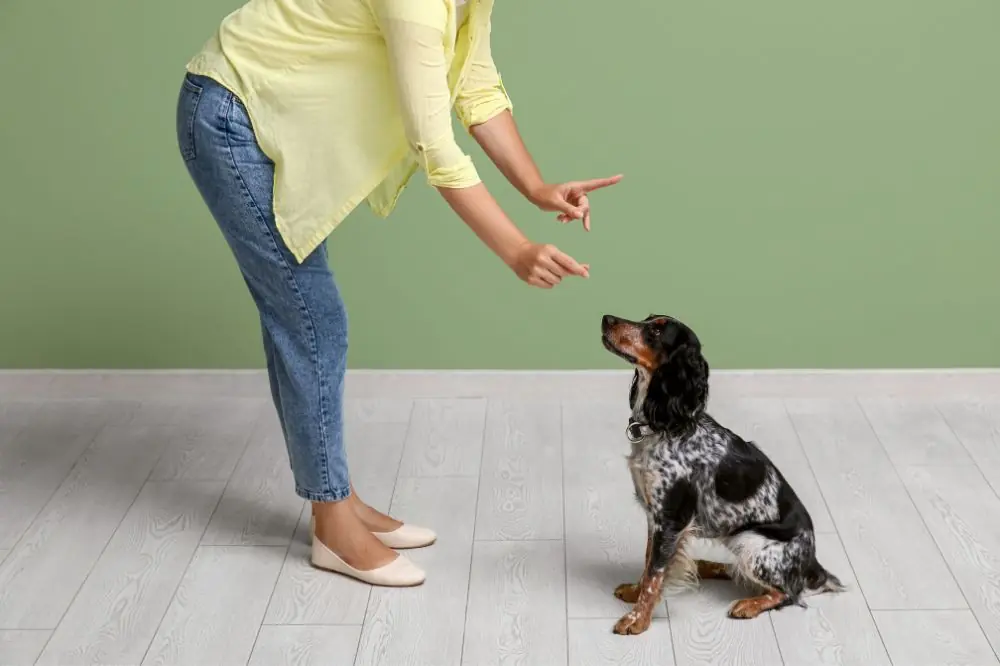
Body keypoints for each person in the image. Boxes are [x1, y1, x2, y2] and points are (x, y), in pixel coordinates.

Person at [176, 0, 621, 587]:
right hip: (231, 114)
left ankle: (338, 499)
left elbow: (476, 87)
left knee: (300, 313)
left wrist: (536, 187)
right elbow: (432, 142)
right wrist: (516, 249)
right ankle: (333, 523)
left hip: (262, 107)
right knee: (311, 318)